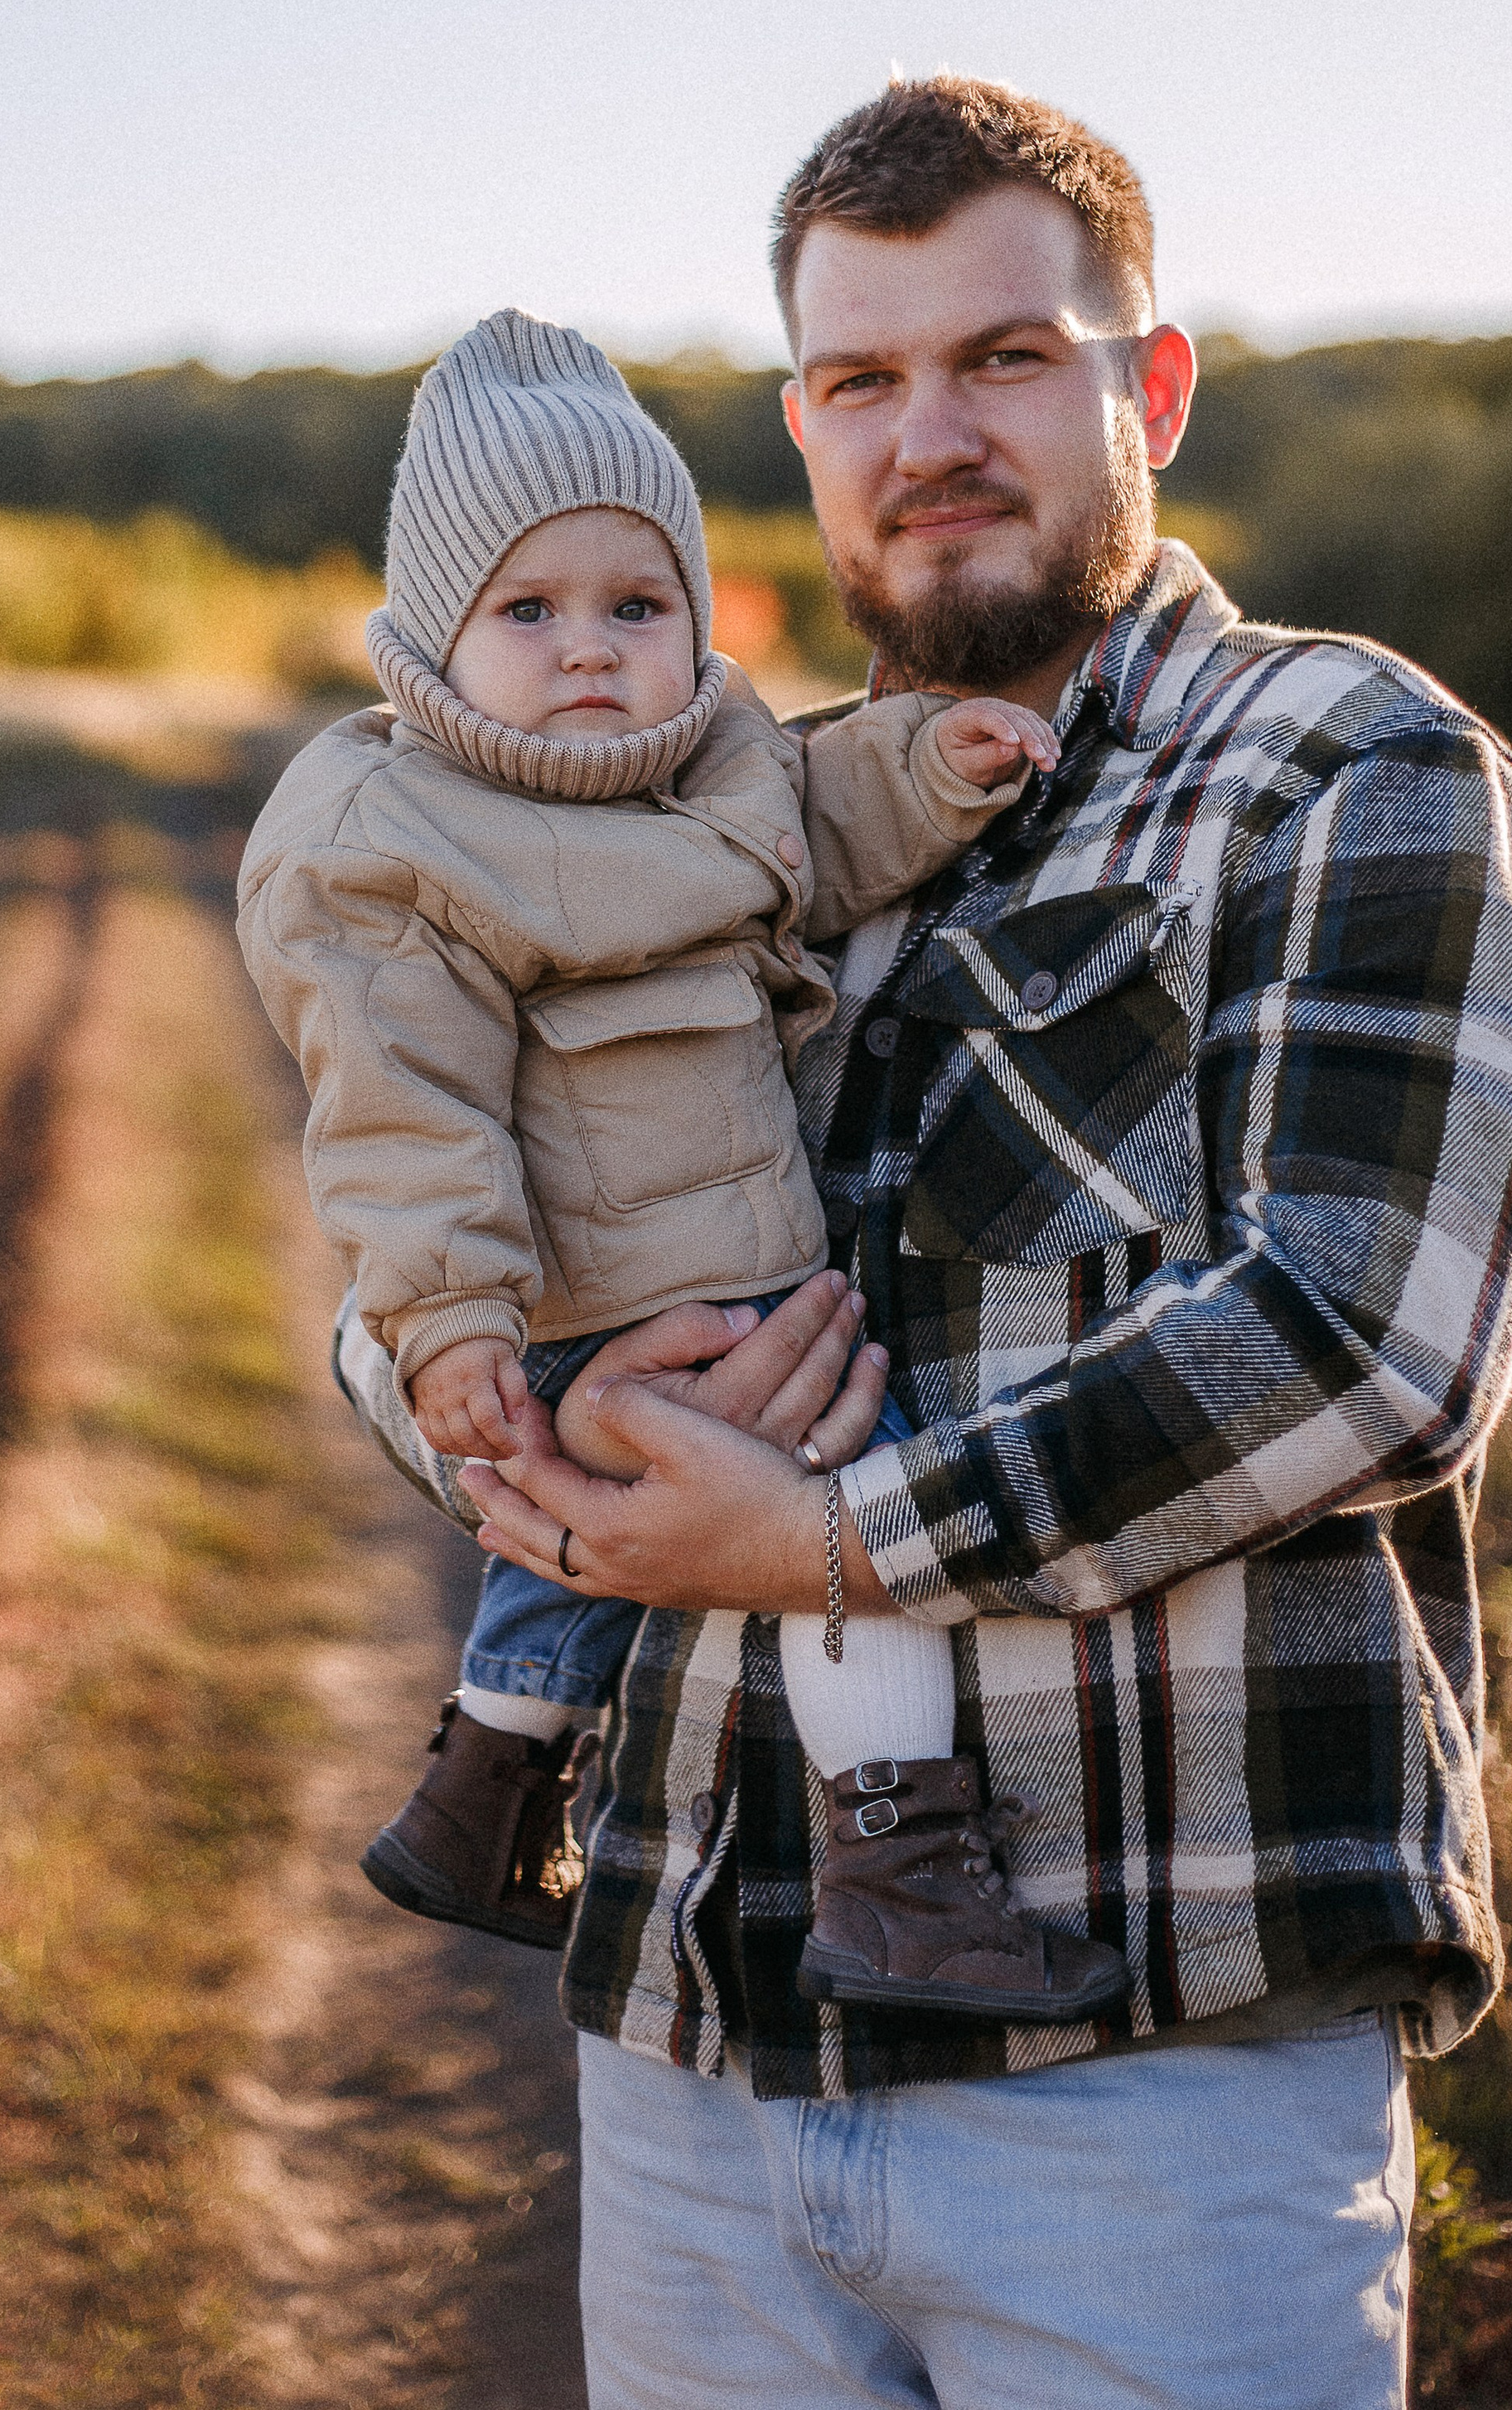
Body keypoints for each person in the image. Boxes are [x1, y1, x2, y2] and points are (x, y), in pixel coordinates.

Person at [335, 76, 1512, 2410]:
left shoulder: (1344, 767)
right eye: (858, 378)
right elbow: (436, 1189)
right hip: (703, 2050)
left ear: (1154, 383)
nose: (930, 432)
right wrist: (483, 1409)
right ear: (800, 429)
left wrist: (823, 1539)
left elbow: (1356, 1342)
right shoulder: (711, 811)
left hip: (1156, 2069)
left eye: (1005, 357)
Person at [240, 304, 1127, 2018]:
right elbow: (399, 1108)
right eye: (529, 610)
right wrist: (448, 1324)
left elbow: (816, 822)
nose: (590, 650)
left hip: (732, 1265)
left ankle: (477, 1799)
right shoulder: (392, 841)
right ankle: (897, 1874)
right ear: (433, 634)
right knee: (845, 1510)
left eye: (635, 605)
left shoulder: (712, 758)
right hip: (593, 1291)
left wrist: (932, 768)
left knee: (589, 1554)